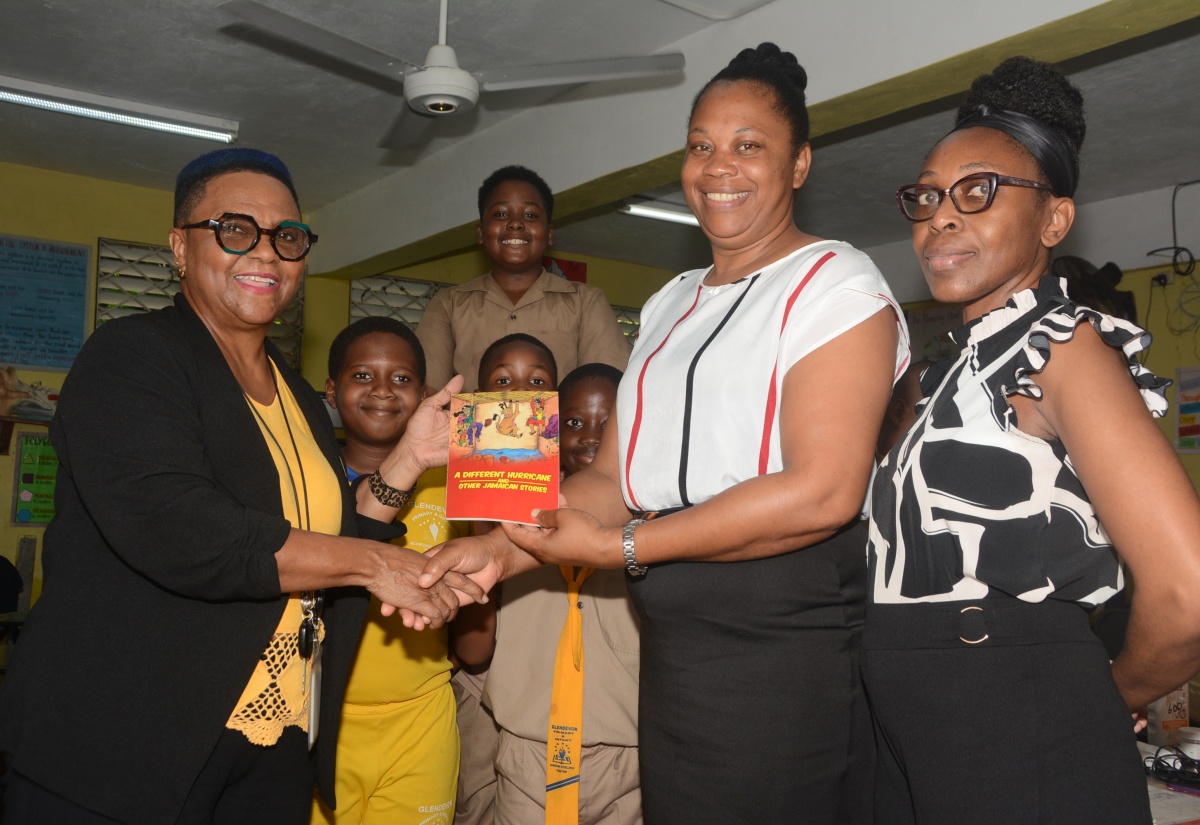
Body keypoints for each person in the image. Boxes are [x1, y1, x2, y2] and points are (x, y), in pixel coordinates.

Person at [421, 43, 909, 824]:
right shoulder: (668, 303)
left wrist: (623, 550)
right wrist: (500, 550)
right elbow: (613, 483)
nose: (719, 166)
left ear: (800, 164)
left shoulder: (835, 281)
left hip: (783, 644)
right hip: (674, 648)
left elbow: (822, 491)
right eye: (701, 145)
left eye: (750, 145)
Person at [0, 148, 482, 825]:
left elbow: (331, 544)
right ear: (179, 245)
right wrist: (382, 564)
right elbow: (187, 531)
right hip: (128, 746)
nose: (265, 253)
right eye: (234, 230)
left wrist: (408, 459)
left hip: (275, 743)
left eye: (286, 236)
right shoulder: (131, 358)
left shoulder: (302, 398)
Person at [866, 56, 1200, 824]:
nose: (940, 217)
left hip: (1016, 732)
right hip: (917, 739)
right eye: (927, 197)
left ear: (1054, 219)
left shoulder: (1063, 348)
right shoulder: (946, 372)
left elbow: (1185, 594)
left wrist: (1105, 693)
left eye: (977, 191)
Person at [314, 317, 465, 825]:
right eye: (362, 376)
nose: (383, 390)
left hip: (420, 718)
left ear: (425, 395)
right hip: (317, 718)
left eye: (401, 379)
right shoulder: (309, 481)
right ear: (331, 391)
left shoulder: (458, 487)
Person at [482, 362, 640, 825]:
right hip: (527, 753)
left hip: (625, 756)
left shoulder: (658, 526)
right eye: (572, 422)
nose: (591, 435)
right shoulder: (510, 523)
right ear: (547, 429)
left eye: (609, 423)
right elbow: (474, 648)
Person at [450, 333, 560, 825]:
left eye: (537, 381)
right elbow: (474, 652)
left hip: (543, 695)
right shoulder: (463, 485)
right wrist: (479, 526)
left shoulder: (576, 491)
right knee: (474, 803)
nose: (519, 392)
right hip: (479, 681)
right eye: (502, 381)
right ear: (477, 397)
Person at [415, 165, 630, 393]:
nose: (515, 223)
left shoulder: (585, 302)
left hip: (559, 430)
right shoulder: (448, 305)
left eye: (530, 215)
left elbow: (610, 393)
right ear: (481, 233)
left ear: (549, 234)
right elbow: (428, 396)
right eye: (500, 214)